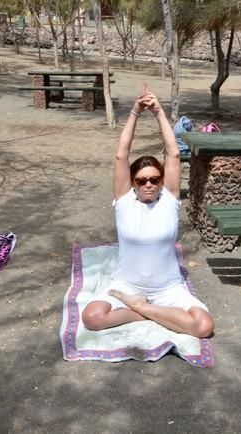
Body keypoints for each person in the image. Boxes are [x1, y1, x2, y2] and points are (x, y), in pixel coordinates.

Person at [81, 86, 215, 338]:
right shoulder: (124, 201)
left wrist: (158, 112)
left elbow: (174, 153)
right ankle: (149, 311)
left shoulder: (169, 199)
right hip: (127, 285)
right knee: (92, 317)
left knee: (204, 327)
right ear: (133, 182)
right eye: (141, 181)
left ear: (161, 180)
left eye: (154, 179)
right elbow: (121, 155)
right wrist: (134, 112)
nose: (149, 185)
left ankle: (142, 308)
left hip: (168, 289)